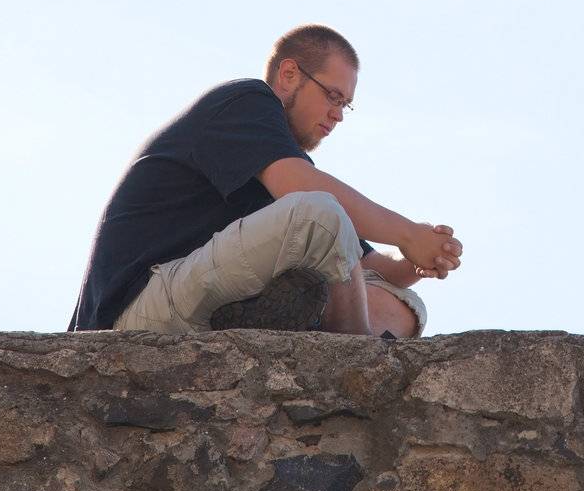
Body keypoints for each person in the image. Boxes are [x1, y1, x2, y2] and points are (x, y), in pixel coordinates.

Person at [67, 24, 461, 337]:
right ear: (290, 74)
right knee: (320, 213)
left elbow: (371, 264)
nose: (338, 115)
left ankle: (277, 321)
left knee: (406, 304)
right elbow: (305, 193)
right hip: (133, 309)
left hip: (199, 299)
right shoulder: (246, 103)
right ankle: (353, 363)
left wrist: (419, 259)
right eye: (333, 96)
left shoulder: (293, 172)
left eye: (345, 105)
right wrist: (407, 233)